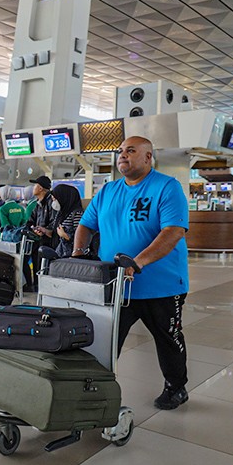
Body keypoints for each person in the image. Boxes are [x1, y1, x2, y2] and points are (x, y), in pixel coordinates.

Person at [72, 136, 190, 410]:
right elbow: (86, 225)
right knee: (105, 340)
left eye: (131, 151)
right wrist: (78, 252)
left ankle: (176, 387)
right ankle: (95, 386)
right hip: (115, 286)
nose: (122, 155)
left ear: (148, 157)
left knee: (168, 338)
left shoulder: (166, 187)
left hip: (162, 286)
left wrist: (138, 262)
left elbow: (173, 231)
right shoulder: (107, 191)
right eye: (121, 151)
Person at [25, 175, 56, 291]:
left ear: (41, 188)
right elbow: (30, 220)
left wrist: (45, 230)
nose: (33, 188)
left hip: (49, 242)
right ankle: (38, 288)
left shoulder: (51, 203)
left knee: (46, 267)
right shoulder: (38, 204)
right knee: (38, 266)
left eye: (35, 185)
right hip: (39, 241)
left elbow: (54, 222)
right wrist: (32, 228)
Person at [51, 184, 85, 258]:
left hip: (70, 256)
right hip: (59, 253)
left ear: (64, 198)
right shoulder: (60, 214)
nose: (54, 201)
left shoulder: (77, 214)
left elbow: (81, 238)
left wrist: (65, 236)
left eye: (55, 199)